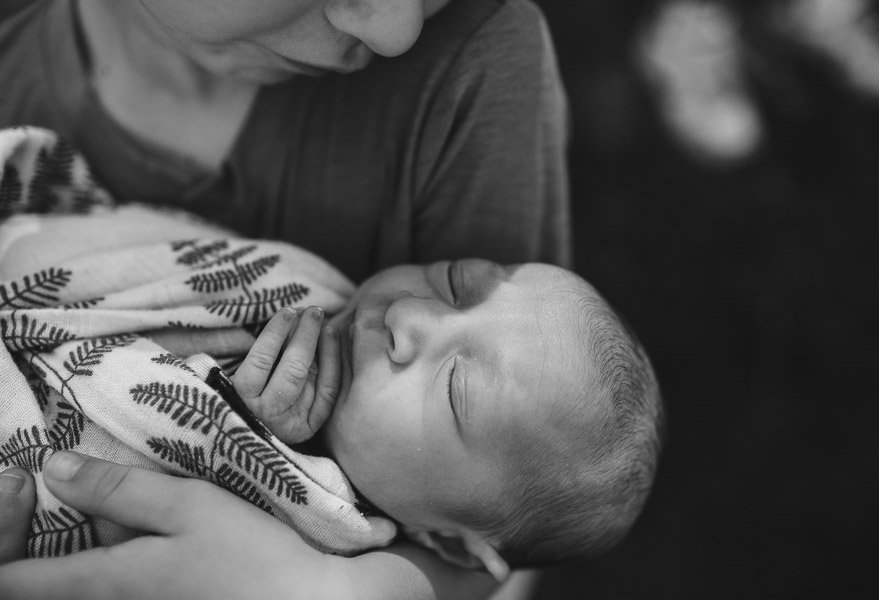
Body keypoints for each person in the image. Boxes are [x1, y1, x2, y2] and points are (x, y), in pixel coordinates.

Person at [0, 0, 571, 596]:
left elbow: (514, 499)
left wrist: (344, 587)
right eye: (450, 284)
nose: (397, 31)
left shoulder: (469, 59)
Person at [231, 259, 664, 580]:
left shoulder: (325, 552)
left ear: (444, 541)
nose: (406, 311)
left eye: (453, 385)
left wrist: (247, 425)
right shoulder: (316, 282)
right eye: (453, 283)